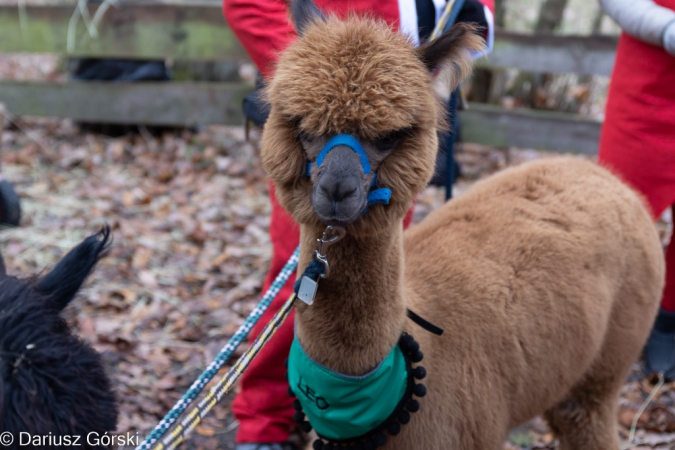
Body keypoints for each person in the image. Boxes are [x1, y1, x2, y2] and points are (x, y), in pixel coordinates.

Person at [222, 1, 494, 449]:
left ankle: (369, 404)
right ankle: (264, 422)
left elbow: (472, 10)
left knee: (376, 280)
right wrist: (309, 69)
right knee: (298, 275)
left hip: (394, 115)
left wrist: (421, 87)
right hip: (318, 107)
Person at [597, 0, 675, 379]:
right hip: (647, 87)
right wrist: (666, 28)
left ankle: (667, 323)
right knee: (617, 217)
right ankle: (602, 323)